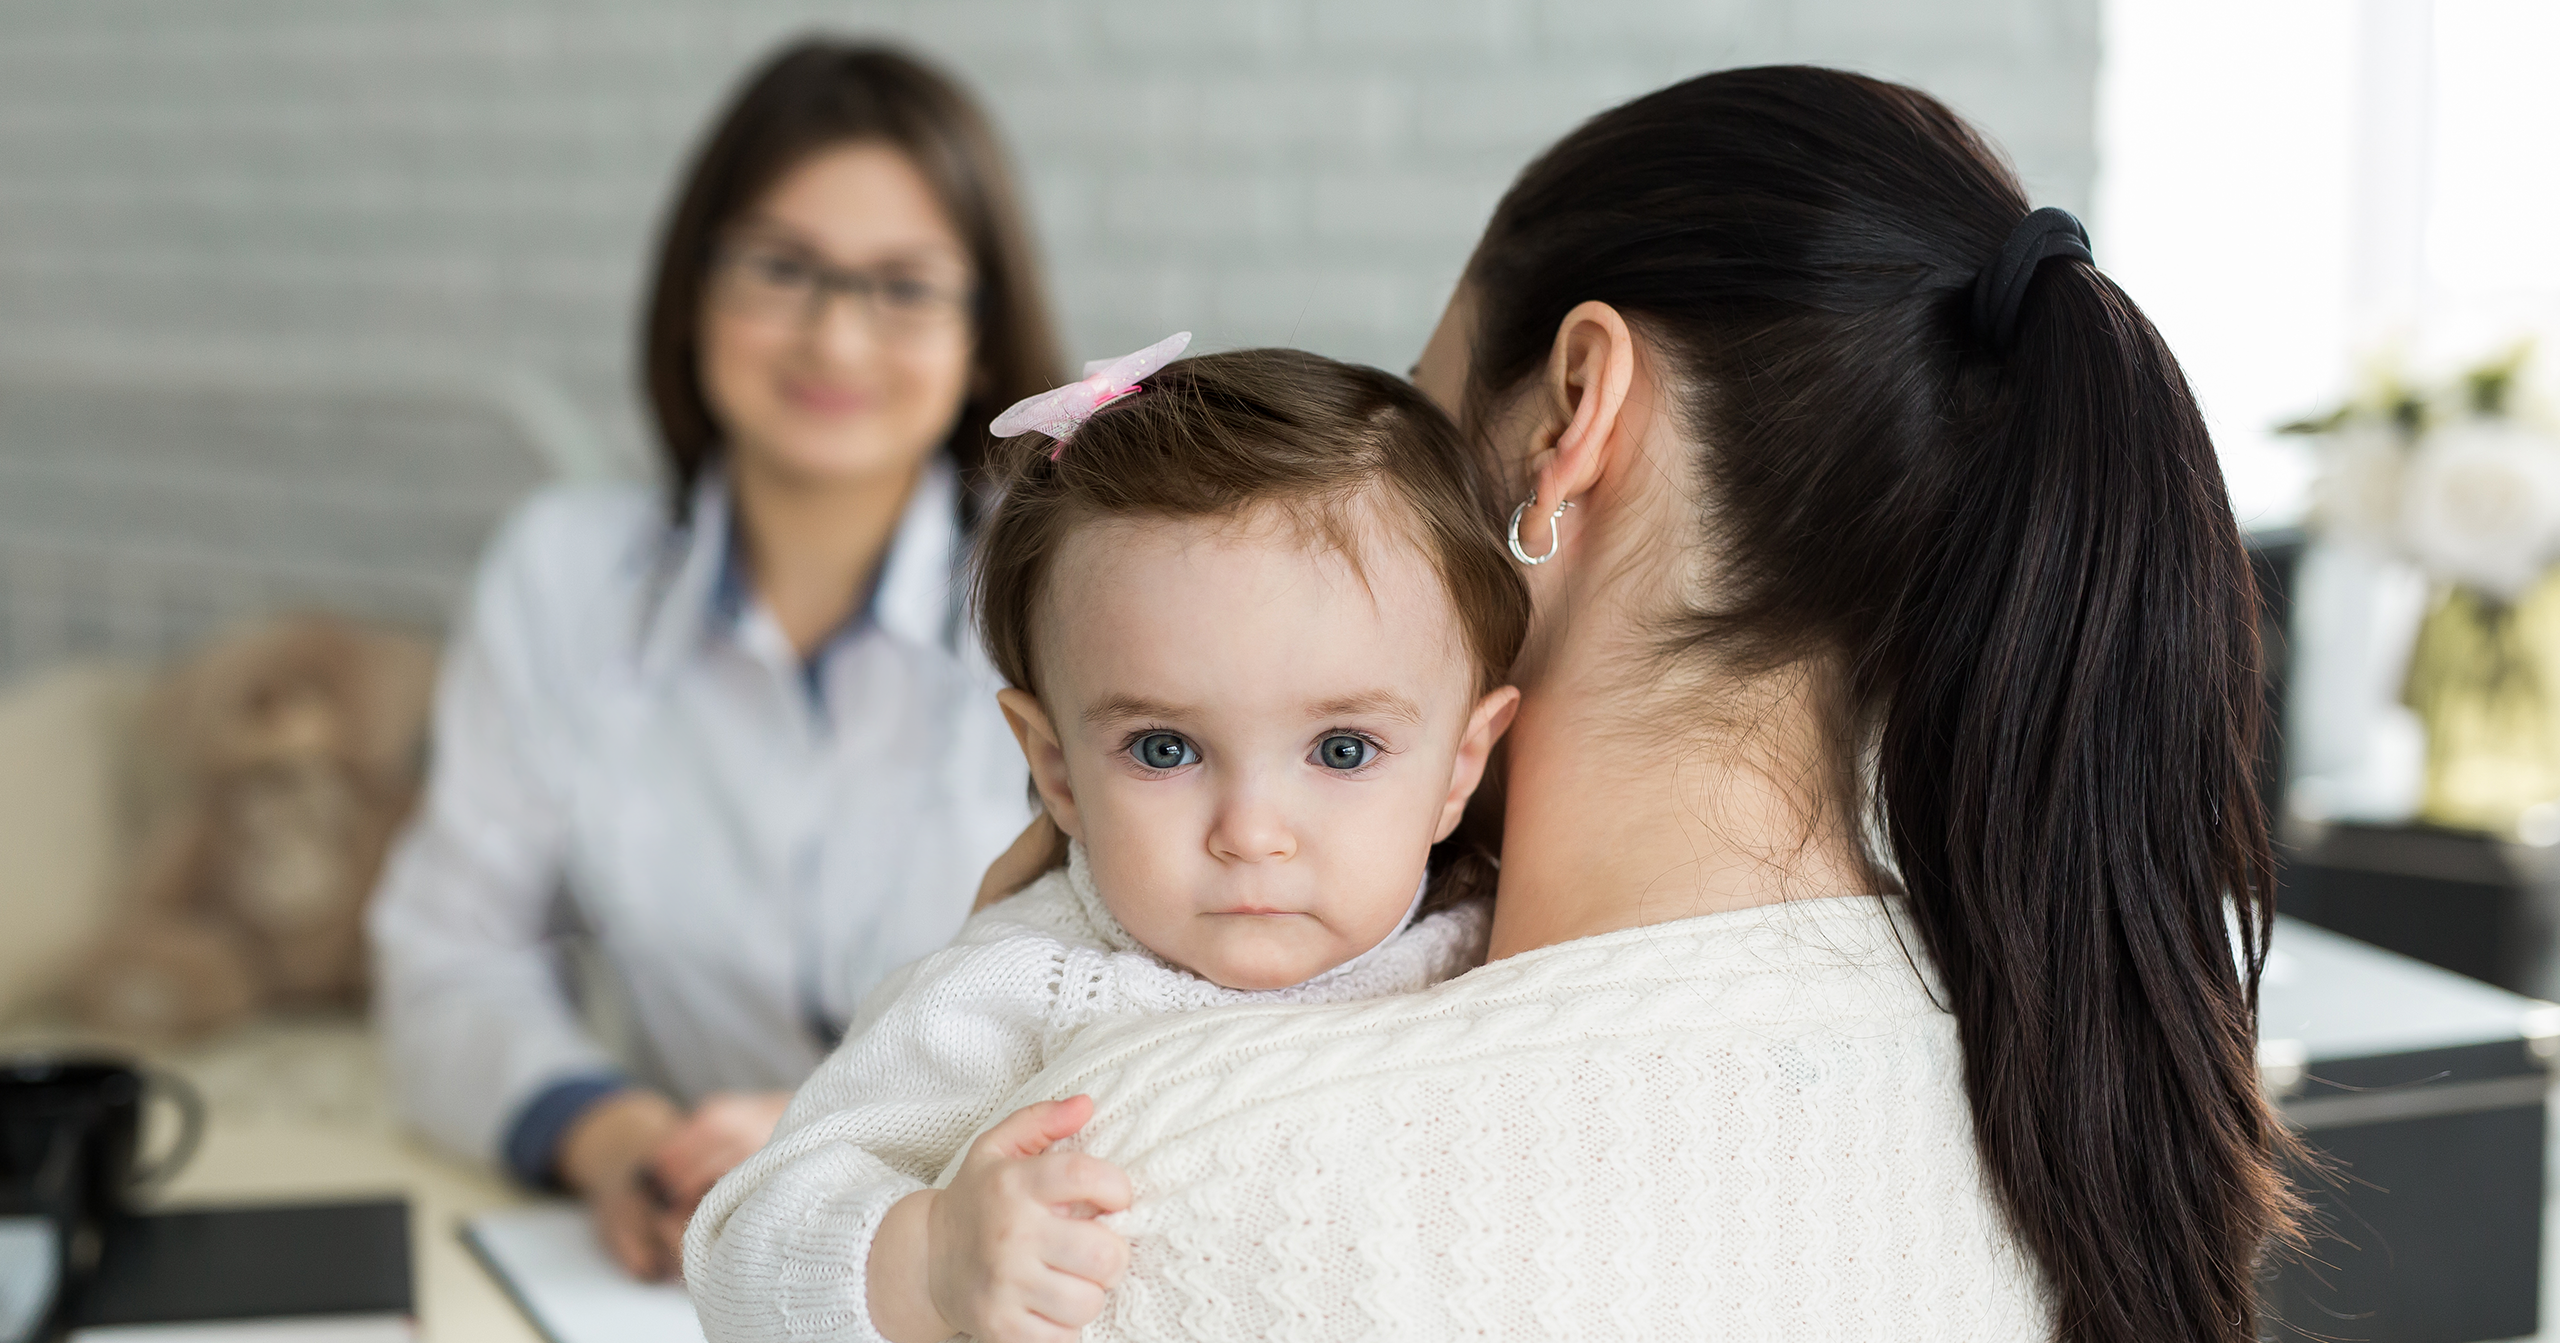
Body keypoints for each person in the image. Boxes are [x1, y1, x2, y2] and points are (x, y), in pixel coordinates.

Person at [954, 67, 2301, 1342]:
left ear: (1569, 419)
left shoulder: (1132, 1178)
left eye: (1428, 420)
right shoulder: (2063, 1115)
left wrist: (976, 1076)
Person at [366, 39, 1063, 1280]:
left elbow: (1175, 987)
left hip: (977, 1248)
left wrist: (822, 1141)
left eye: (903, 287)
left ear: (985, 340)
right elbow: (446, 952)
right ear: (693, 294)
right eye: (783, 269)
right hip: (679, 1240)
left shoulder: (1078, 594)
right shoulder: (563, 572)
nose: (837, 338)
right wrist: (606, 1130)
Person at [683, 341, 1531, 1343]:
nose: (1251, 832)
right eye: (1164, 747)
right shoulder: (1017, 989)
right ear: (1053, 767)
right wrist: (927, 1259)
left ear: (1463, 763)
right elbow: (743, 1247)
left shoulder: (1501, 948)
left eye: (1342, 748)